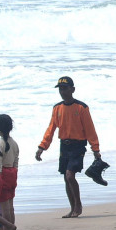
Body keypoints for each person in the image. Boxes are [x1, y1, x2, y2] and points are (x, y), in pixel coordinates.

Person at [35, 76, 102, 219]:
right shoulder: (57, 108)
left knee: (70, 175)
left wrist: (95, 149)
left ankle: (78, 206)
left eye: (65, 88)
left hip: (78, 146)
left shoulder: (82, 108)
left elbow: (90, 129)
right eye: (60, 88)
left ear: (72, 89)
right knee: (66, 178)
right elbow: (51, 129)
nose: (62, 91)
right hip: (64, 146)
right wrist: (42, 147)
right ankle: (72, 209)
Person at [0, 114, 18, 230]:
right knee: (9, 205)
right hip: (12, 173)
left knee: (3, 208)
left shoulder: (0, 144)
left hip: (3, 173)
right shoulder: (14, 143)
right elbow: (16, 161)